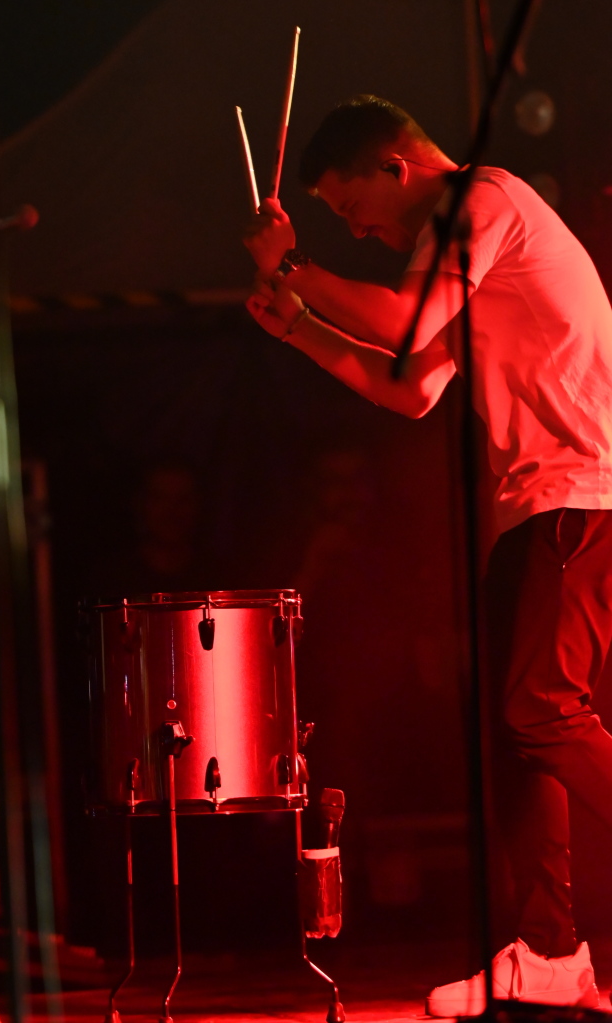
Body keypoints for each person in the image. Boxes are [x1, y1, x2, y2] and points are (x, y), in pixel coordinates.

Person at [243, 94, 612, 1016]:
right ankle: (549, 951)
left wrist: (296, 263)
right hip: (541, 507)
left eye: (345, 202)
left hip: (584, 496)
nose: (352, 224)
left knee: (539, 713)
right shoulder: (462, 243)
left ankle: (554, 946)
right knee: (512, 733)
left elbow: (404, 317)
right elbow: (409, 386)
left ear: (394, 167)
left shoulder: (480, 200)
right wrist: (297, 325)